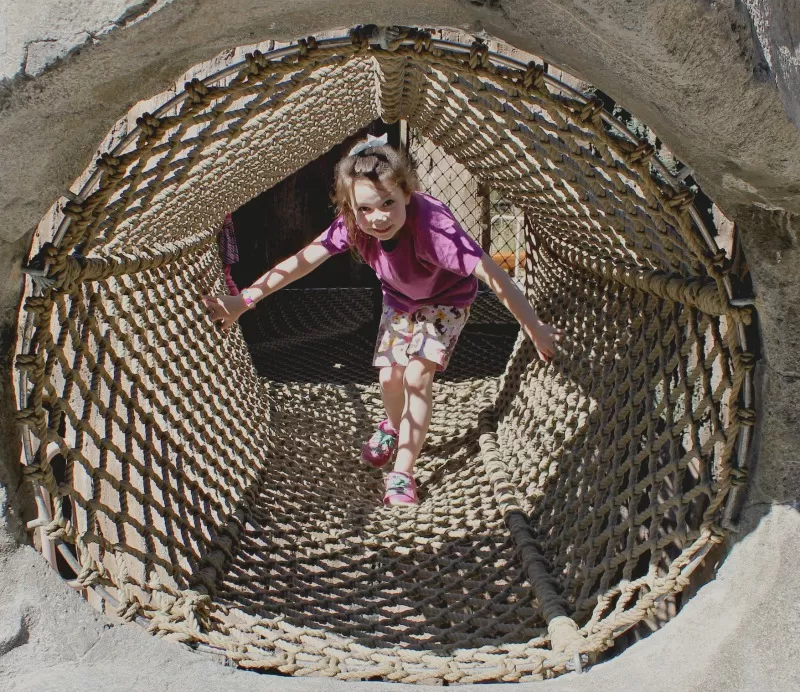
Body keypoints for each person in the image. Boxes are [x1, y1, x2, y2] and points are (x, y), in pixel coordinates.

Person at [202, 134, 561, 507]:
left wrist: (532, 326)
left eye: (389, 203)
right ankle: (393, 426)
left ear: (408, 194)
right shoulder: (354, 225)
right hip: (400, 300)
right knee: (390, 375)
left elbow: (493, 274)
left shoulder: (433, 229)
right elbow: (303, 260)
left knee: (416, 375)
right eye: (366, 209)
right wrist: (243, 301)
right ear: (351, 208)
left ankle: (403, 472)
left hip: (445, 301)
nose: (378, 218)